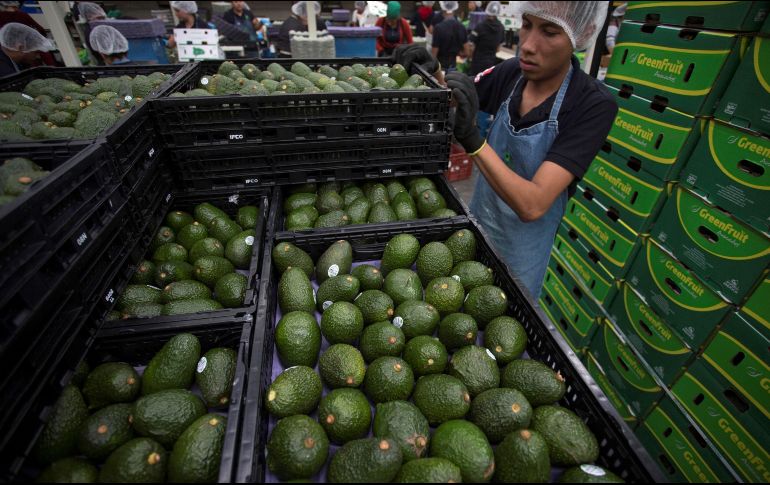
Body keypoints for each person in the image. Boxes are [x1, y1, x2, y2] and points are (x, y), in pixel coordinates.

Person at [445, 1, 617, 298]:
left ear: (584, 32)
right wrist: (432, 74)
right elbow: (458, 99)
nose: (527, 45)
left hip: (521, 255)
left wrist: (474, 141)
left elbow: (533, 204)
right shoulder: (512, 73)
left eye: (549, 32)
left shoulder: (592, 104)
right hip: (476, 231)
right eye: (527, 25)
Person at [468, 1, 504, 76]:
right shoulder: (501, 28)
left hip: (477, 62)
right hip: (491, 64)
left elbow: (471, 46)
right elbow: (498, 49)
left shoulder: (480, 26)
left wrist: (470, 57)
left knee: (473, 84)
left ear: (487, 10)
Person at [431, 1, 468, 71]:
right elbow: (466, 52)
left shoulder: (438, 28)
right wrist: (457, 53)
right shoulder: (461, 27)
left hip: (440, 68)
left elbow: (434, 54)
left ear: (443, 8)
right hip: (453, 66)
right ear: (455, 9)